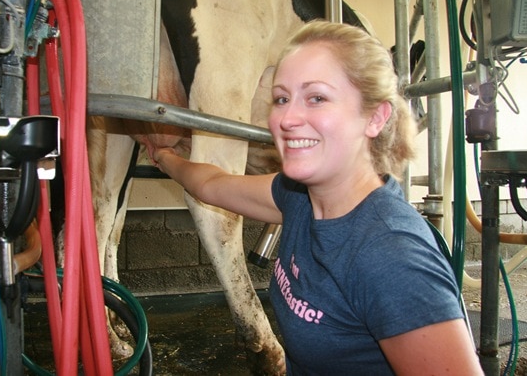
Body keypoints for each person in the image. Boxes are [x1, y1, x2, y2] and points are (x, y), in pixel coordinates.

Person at [148, 20, 483, 375]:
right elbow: (213, 185)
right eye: (281, 98)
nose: (287, 119)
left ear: (375, 117)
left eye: (317, 98)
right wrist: (164, 156)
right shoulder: (298, 197)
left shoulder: (391, 256)